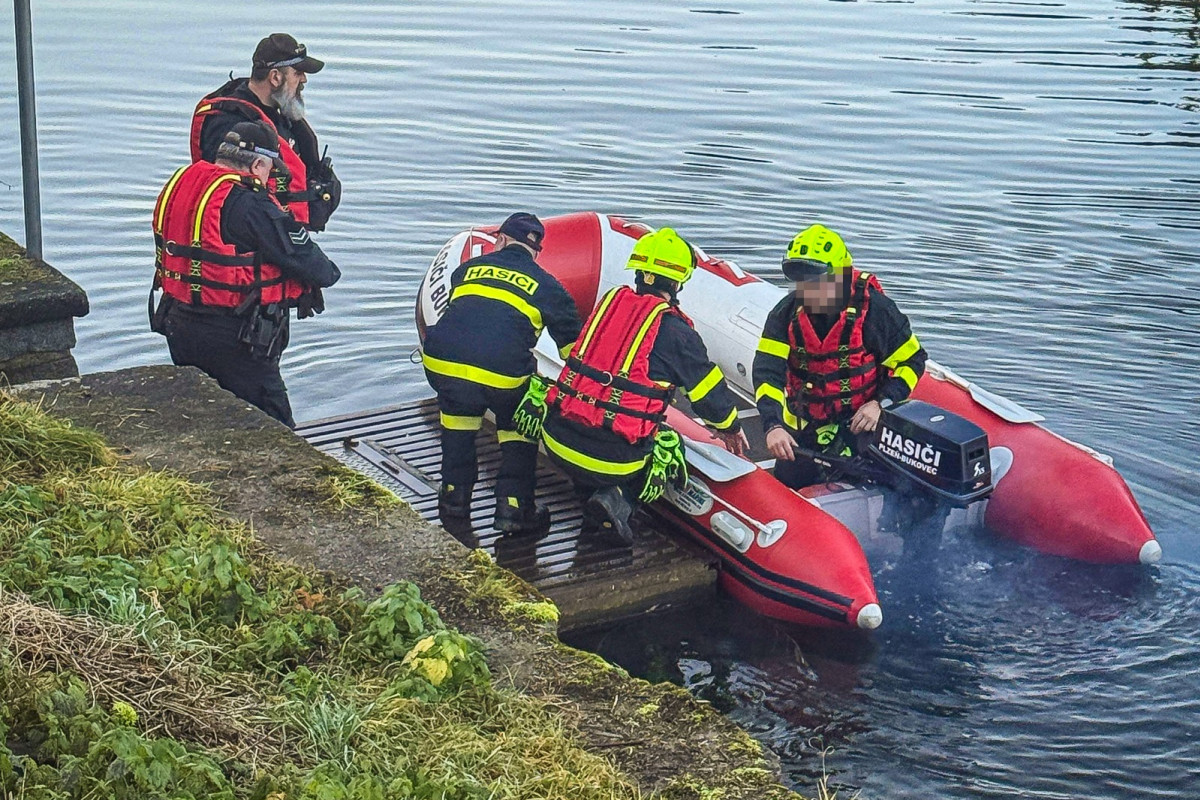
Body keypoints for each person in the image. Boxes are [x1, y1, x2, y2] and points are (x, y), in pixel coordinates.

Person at [537, 227, 749, 545]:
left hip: (555, 437)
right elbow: (708, 395)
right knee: (662, 446)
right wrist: (729, 426)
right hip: (609, 458)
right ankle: (616, 497)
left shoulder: (608, 305)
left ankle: (594, 502)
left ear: (638, 271)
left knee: (597, 432)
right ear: (678, 282)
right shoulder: (676, 330)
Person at [151, 121, 340, 428]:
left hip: (179, 323)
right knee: (275, 429)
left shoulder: (184, 182)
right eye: (270, 170)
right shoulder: (250, 201)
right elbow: (312, 264)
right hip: (234, 336)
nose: (269, 180)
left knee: (208, 419)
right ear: (257, 164)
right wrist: (329, 272)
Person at [422, 213, 583, 534]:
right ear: (536, 252)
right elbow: (571, 354)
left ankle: (454, 499)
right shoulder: (550, 287)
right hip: (502, 377)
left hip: (440, 362)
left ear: (501, 239)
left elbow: (470, 320)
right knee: (519, 425)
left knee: (458, 420)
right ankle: (513, 509)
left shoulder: (466, 270)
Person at [753, 223, 926, 489]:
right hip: (805, 428)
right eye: (802, 283)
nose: (807, 292)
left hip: (862, 425)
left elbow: (912, 361)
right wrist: (773, 425)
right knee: (789, 483)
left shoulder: (876, 312)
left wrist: (882, 404)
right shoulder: (785, 315)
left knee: (883, 483)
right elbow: (768, 374)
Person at [191, 33, 340, 232]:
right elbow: (231, 199)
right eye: (297, 73)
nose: (304, 79)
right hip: (251, 238)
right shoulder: (227, 123)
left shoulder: (279, 111)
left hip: (279, 232)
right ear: (275, 77)